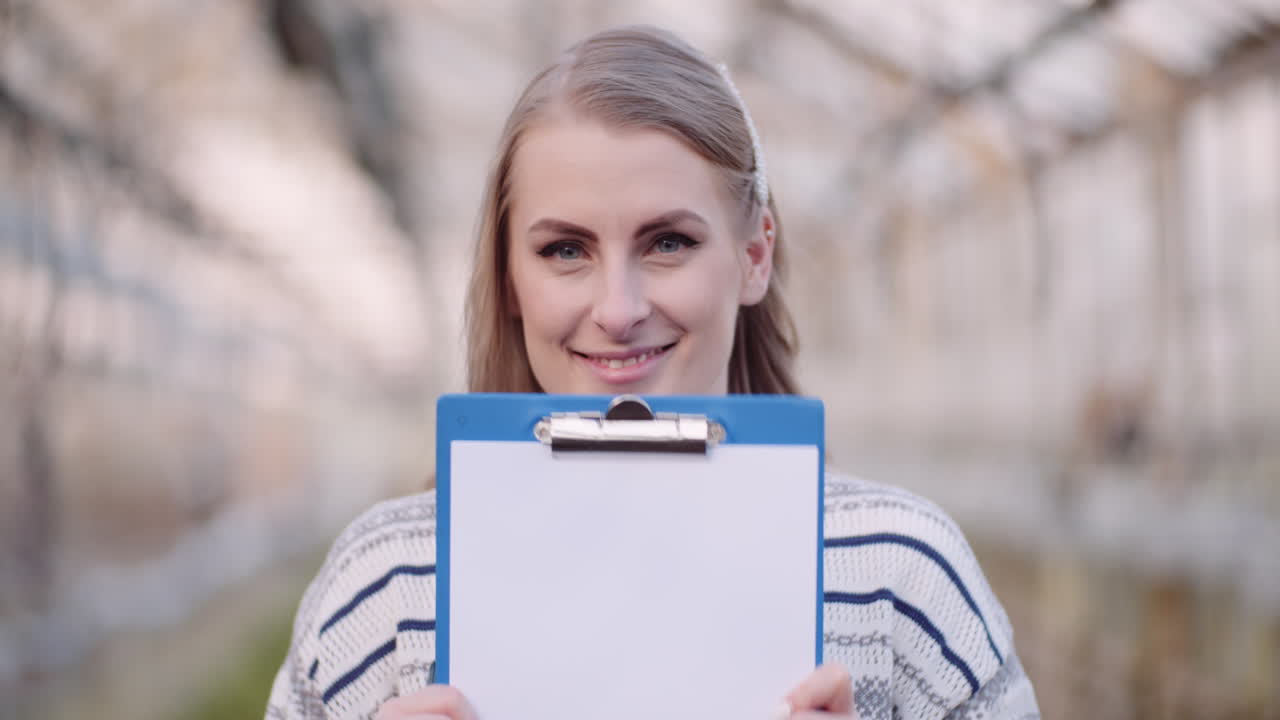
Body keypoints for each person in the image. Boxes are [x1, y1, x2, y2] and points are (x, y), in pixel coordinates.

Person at [265, 25, 1040, 720]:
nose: (617, 308)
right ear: (507, 279)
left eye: (667, 242)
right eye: (564, 250)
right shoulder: (386, 585)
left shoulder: (902, 576)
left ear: (754, 255)